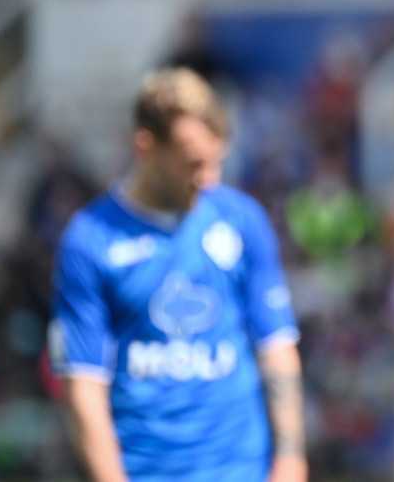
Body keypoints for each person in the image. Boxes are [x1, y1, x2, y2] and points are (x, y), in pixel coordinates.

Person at [49, 68, 307, 482]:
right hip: (147, 470)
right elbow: (83, 381)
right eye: (194, 164)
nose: (209, 178)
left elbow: (276, 345)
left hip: (241, 469)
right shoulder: (91, 239)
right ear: (146, 147)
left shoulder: (241, 220)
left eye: (217, 162)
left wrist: (291, 459)